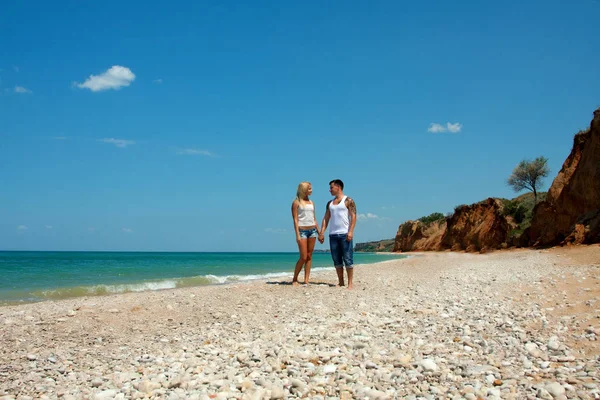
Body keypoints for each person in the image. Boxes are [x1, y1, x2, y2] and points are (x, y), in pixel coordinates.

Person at [318, 179, 357, 289]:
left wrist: (350, 231)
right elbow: (326, 218)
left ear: (338, 187)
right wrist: (321, 233)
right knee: (336, 260)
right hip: (333, 235)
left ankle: (350, 284)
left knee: (348, 259)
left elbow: (353, 217)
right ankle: (341, 282)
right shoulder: (329, 204)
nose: (329, 190)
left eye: (331, 187)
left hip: (345, 234)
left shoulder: (348, 200)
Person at [291, 182, 319, 286]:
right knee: (303, 257)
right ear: (304, 190)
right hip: (302, 231)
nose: (311, 190)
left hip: (312, 231)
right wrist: (297, 234)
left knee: (309, 256)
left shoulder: (312, 202)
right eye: (310, 189)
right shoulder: (296, 203)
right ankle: (295, 278)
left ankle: (306, 280)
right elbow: (295, 220)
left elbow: (314, 218)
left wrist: (319, 232)